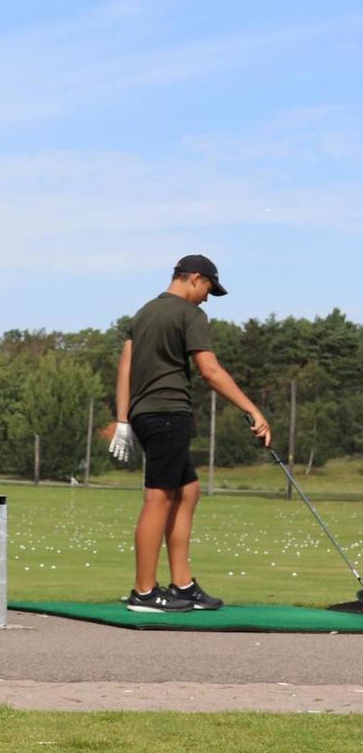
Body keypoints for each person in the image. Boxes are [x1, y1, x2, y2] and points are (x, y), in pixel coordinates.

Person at [109, 254, 271, 612]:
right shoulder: (190, 314)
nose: (207, 298)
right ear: (196, 278)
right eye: (209, 290)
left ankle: (182, 584)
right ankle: (144, 592)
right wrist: (252, 409)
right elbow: (210, 371)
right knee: (159, 498)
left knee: (188, 491)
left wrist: (123, 419)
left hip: (146, 415)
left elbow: (125, 367)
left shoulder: (144, 312)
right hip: (169, 413)